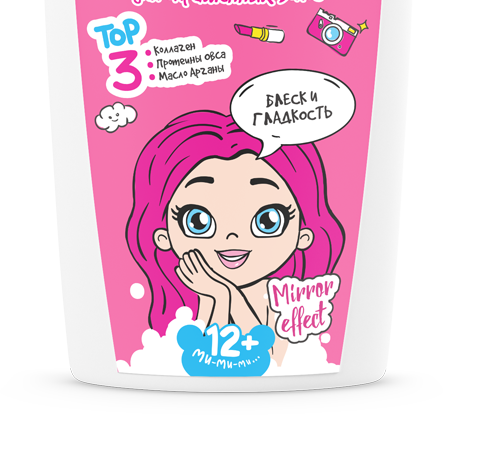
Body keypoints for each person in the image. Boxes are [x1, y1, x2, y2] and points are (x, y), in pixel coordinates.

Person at [125, 109, 345, 365]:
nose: (232, 236)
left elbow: (273, 363)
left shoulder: (286, 299)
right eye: (197, 221)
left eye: (267, 220)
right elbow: (203, 360)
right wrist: (218, 297)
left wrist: (226, 293)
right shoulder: (196, 297)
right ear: (163, 236)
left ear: (303, 235)